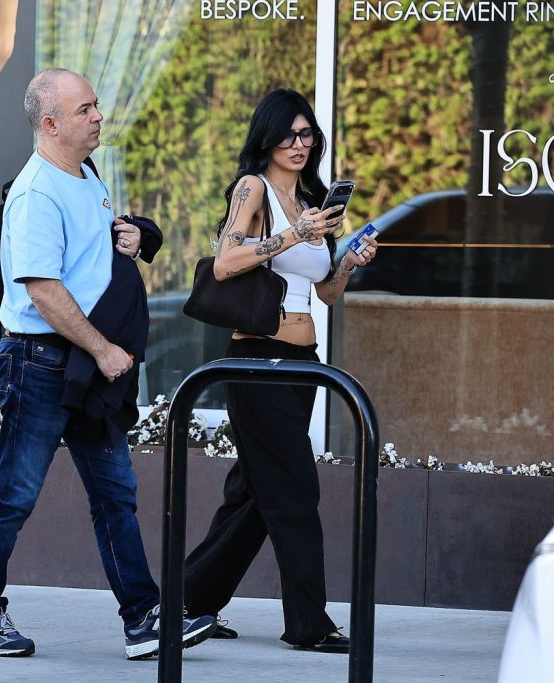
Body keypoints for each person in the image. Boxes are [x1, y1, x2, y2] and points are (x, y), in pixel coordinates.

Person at [0, 68, 215, 660]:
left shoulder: (86, 174)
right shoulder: (36, 193)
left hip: (81, 365)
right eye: (84, 110)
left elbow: (87, 260)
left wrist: (128, 236)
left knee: (115, 493)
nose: (98, 116)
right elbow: (44, 290)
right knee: (16, 494)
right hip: (41, 364)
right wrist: (102, 349)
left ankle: (143, 617)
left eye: (95, 106)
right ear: (50, 124)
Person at [182, 89, 377, 653]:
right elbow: (226, 262)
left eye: (306, 134)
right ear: (267, 139)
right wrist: (295, 233)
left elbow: (324, 293)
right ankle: (309, 624)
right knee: (293, 489)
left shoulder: (313, 202)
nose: (299, 144)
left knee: (253, 493)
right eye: (288, 134)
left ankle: (189, 600)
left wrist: (347, 262)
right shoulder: (253, 188)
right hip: (258, 360)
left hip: (303, 364)